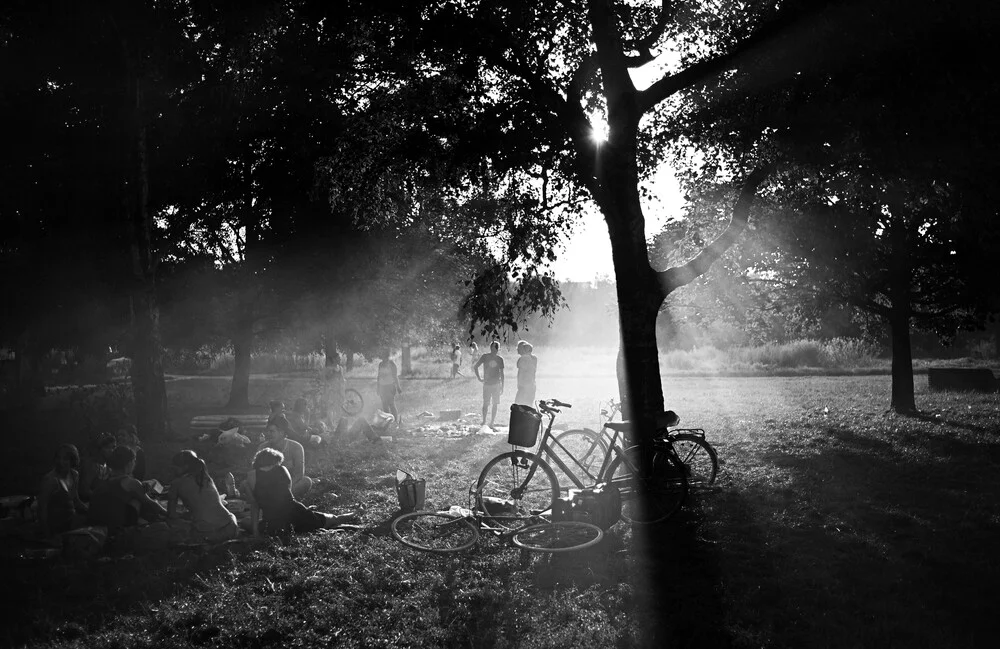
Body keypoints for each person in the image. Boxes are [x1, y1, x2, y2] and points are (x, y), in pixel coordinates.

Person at [245, 447, 358, 537]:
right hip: (297, 515)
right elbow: (288, 494)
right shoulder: (282, 470)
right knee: (333, 518)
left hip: (273, 523)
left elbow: (255, 506)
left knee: (245, 522)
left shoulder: (251, 476)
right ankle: (355, 513)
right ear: (275, 461)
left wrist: (255, 533)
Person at [166, 450, 239, 544]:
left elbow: (171, 515)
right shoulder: (206, 478)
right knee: (231, 515)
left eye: (174, 468)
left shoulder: (176, 484)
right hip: (230, 528)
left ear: (184, 467)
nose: (172, 471)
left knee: (172, 523)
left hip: (207, 535)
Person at [88, 446, 167, 530]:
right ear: (129, 463)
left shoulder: (105, 477)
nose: (135, 464)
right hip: (114, 529)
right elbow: (151, 504)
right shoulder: (131, 482)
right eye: (134, 461)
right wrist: (169, 513)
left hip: (95, 524)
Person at [37, 444, 88, 537]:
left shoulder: (74, 475)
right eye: (58, 458)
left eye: (65, 459)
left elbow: (76, 501)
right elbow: (41, 510)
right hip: (56, 528)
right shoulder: (50, 480)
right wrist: (47, 536)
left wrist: (92, 511)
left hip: (71, 523)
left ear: (72, 460)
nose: (60, 462)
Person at [257, 417, 313, 498]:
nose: (268, 434)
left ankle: (279, 498)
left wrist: (286, 488)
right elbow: (256, 472)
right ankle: (278, 499)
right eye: (267, 431)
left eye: (272, 431)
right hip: (268, 485)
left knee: (306, 481)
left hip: (289, 485)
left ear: (282, 432)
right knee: (246, 484)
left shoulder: (296, 447)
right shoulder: (263, 447)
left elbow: (299, 473)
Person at [473, 340, 505, 427]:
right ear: (497, 349)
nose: (494, 350)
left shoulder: (487, 357)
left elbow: (475, 367)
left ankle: (488, 422)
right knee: (491, 403)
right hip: (492, 384)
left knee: (489, 403)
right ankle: (488, 422)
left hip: (492, 384)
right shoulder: (498, 359)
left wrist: (480, 378)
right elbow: (502, 374)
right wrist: (479, 378)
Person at [79, 432, 115, 503]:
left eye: (113, 447)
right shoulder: (91, 465)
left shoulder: (108, 467)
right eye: (107, 447)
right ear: (99, 449)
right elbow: (83, 491)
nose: (111, 450)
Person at [376, 349, 402, 429]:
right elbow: (379, 376)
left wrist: (398, 387)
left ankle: (396, 421)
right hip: (382, 386)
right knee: (384, 405)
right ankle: (388, 422)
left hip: (390, 386)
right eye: (382, 357)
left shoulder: (392, 364)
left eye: (385, 357)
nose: (384, 359)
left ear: (387, 356)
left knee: (391, 404)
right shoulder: (380, 364)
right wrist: (378, 387)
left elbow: (395, 376)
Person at [514, 340, 538, 407]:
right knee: (529, 404)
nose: (517, 349)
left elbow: (521, 371)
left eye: (518, 348)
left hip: (524, 385)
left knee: (518, 404)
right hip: (532, 384)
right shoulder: (534, 358)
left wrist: (519, 384)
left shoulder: (523, 358)